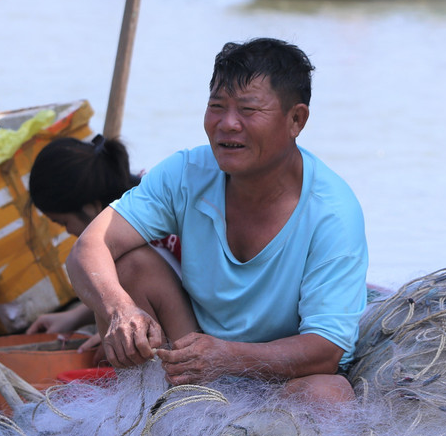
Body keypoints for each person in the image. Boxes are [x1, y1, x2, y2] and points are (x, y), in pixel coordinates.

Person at [66, 38, 369, 403]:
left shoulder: (332, 211)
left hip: (280, 382)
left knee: (329, 394)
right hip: (193, 367)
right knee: (131, 268)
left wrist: (227, 358)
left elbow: (326, 349)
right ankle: (153, 417)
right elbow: (89, 246)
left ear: (296, 120)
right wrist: (119, 309)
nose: (227, 124)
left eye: (248, 109)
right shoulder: (186, 172)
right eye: (216, 107)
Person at [26, 135, 180, 338]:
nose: (67, 231)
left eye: (64, 222)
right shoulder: (139, 193)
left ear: (92, 207)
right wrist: (74, 317)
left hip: (198, 331)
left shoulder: (152, 220)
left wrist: (124, 327)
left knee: (127, 265)